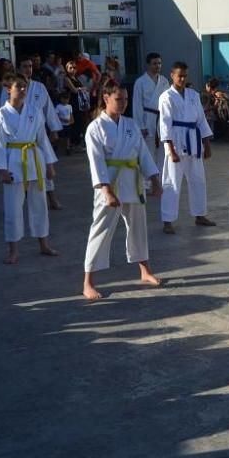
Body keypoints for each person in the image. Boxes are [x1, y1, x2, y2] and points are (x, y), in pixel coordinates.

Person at [82, 79, 163, 300]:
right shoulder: (95, 128)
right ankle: (88, 281)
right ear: (106, 98)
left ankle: (145, 270)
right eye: (119, 99)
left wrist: (154, 178)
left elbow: (143, 153)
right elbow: (96, 162)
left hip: (133, 181)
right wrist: (106, 190)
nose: (123, 103)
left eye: (126, 99)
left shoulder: (130, 124)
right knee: (101, 229)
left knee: (138, 227)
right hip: (110, 183)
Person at [0, 74, 59, 265]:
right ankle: (13, 250)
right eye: (18, 86)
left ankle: (44, 244)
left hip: (34, 159)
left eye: (24, 87)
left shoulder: (34, 111)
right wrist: (1, 170)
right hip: (13, 161)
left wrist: (49, 164)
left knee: (40, 206)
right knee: (12, 209)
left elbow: (42, 139)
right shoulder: (1, 115)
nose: (23, 90)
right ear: (8, 89)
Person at [159, 61, 215, 233]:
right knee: (172, 182)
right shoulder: (166, 96)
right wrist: (171, 150)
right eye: (179, 75)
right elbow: (165, 125)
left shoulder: (193, 95)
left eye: (185, 75)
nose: (182, 78)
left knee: (198, 179)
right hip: (176, 140)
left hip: (194, 140)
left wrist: (207, 143)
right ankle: (167, 220)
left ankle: (200, 215)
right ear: (172, 75)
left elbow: (201, 120)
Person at [0, 58, 63, 210]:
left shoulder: (40, 87)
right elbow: (4, 107)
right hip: (17, 136)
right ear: (18, 68)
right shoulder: (10, 87)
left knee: (43, 167)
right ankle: (22, 201)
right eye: (25, 66)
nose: (28, 69)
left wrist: (53, 128)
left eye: (30, 66)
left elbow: (48, 107)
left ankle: (52, 198)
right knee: (20, 172)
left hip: (36, 133)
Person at [131, 52, 170, 181]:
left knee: (163, 152)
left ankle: (160, 180)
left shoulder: (164, 81)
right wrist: (140, 126)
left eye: (159, 63)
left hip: (162, 119)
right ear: (148, 65)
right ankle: (147, 182)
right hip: (147, 119)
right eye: (154, 63)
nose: (157, 66)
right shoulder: (140, 82)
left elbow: (169, 103)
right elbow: (137, 105)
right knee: (147, 152)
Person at [55, 90, 74, 156]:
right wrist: (62, 120)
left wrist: (72, 120)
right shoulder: (58, 106)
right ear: (61, 99)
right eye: (64, 99)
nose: (66, 100)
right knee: (61, 137)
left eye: (67, 99)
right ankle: (57, 147)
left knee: (68, 137)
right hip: (61, 125)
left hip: (68, 124)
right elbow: (56, 116)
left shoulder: (69, 106)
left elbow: (71, 114)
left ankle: (67, 148)